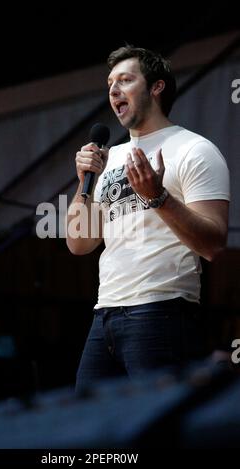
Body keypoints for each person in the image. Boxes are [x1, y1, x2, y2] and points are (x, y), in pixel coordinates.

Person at [66, 45, 230, 392]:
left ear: (156, 87)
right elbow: (80, 243)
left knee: (156, 428)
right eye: (110, 82)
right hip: (105, 313)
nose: (113, 90)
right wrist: (83, 182)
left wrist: (158, 197)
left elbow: (214, 245)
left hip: (162, 312)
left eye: (125, 80)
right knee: (88, 429)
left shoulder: (194, 150)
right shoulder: (110, 158)